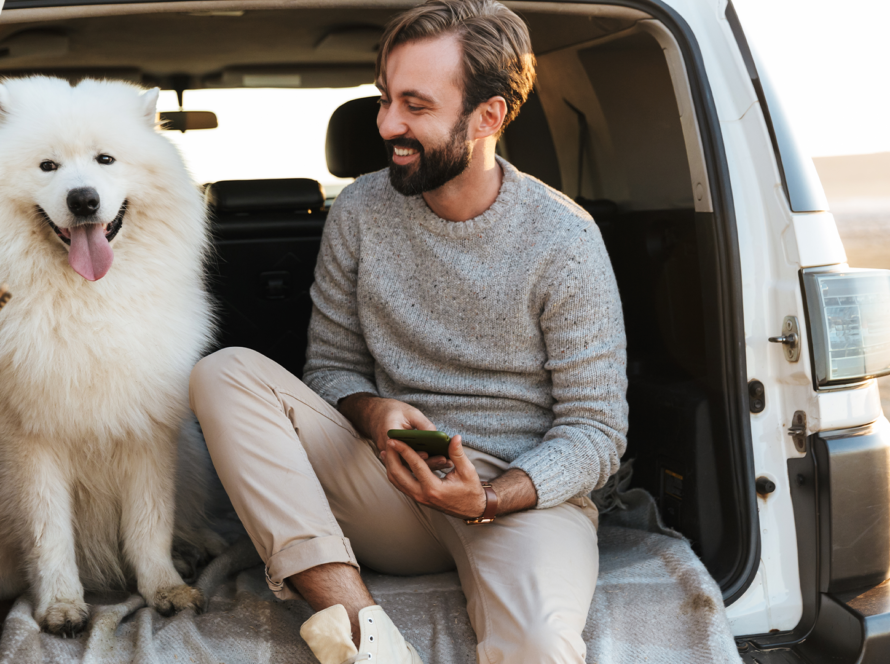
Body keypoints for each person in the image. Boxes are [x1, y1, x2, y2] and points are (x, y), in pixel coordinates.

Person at [188, 0, 628, 661]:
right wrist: (374, 412)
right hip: (388, 487)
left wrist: (488, 497)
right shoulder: (360, 211)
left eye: (415, 105)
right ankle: (366, 636)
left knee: (539, 646)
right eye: (384, 98)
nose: (388, 123)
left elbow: (597, 433)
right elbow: (330, 370)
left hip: (517, 499)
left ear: (489, 117)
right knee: (223, 373)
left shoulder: (565, 238)